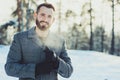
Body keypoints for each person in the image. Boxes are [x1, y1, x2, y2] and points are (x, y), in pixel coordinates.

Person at [5, 3, 73, 80]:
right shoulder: (20, 39)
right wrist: (36, 69)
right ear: (35, 15)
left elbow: (68, 71)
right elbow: (9, 68)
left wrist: (57, 61)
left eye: (49, 16)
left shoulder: (60, 41)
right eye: (42, 15)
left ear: (53, 20)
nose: (45, 19)